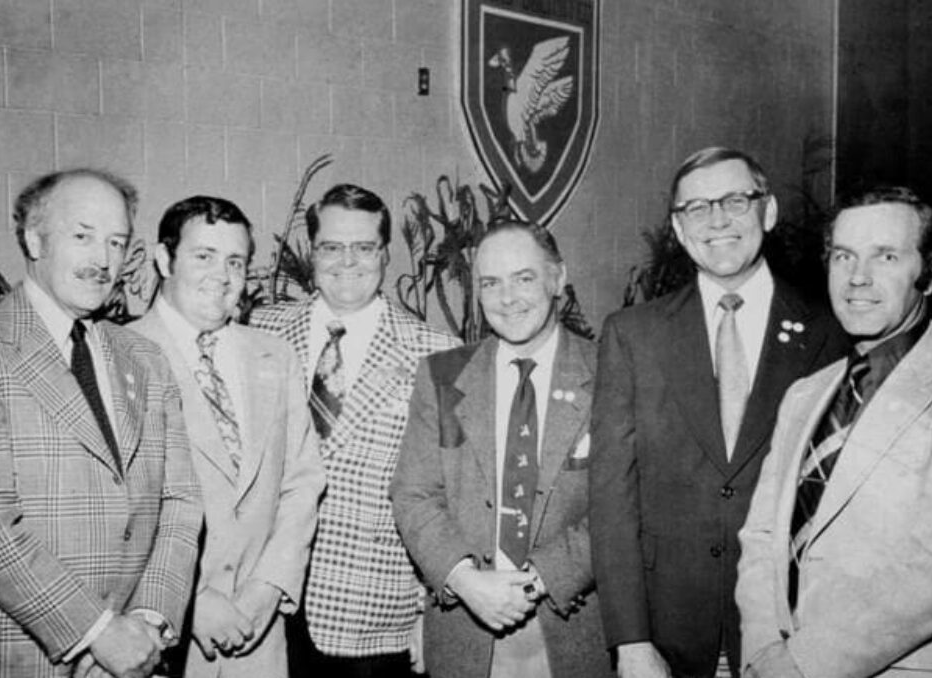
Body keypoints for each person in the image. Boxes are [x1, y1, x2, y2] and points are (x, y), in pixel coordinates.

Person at [589, 147, 849, 677]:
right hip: (667, 632)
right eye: (697, 208)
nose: (717, 221)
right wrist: (631, 640)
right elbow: (611, 498)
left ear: (768, 211)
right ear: (679, 230)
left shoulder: (831, 333)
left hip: (792, 630)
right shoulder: (632, 335)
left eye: (734, 200)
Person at [0, 168, 203, 678]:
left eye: (117, 242)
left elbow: (180, 503)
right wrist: (97, 632)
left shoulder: (146, 359)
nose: (103, 260)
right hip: (21, 657)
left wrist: (147, 621)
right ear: (34, 239)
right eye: (83, 236)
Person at [736, 186, 932, 678]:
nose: (858, 278)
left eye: (885, 256)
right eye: (844, 256)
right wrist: (762, 650)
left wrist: (803, 666)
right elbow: (760, 537)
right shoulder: (806, 393)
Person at [250, 183, 458, 677]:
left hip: (374, 616)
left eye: (364, 247)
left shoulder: (438, 353)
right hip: (262, 606)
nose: (348, 261)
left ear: (386, 255)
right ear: (312, 252)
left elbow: (453, 494)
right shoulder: (261, 331)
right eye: (331, 247)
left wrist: (432, 608)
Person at [391, 221, 612, 678]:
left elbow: (621, 505)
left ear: (558, 277)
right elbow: (413, 496)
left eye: (524, 278)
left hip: (574, 628)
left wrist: (537, 581)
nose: (507, 298)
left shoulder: (610, 372)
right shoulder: (442, 375)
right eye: (491, 283)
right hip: (464, 632)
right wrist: (466, 581)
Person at [131, 196, 326, 678]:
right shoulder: (121, 354)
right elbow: (112, 511)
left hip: (258, 635)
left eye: (235, 261)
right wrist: (193, 602)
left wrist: (269, 586)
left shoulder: (275, 356)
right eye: (204, 256)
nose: (222, 274)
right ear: (163, 259)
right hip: (161, 634)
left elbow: (302, 481)